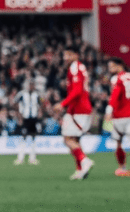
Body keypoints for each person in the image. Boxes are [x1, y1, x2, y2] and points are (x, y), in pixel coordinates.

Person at [54, 48, 94, 180]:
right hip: (80, 108)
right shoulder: (80, 67)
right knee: (75, 139)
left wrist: (62, 104)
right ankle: (80, 170)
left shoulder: (75, 67)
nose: (65, 57)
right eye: (64, 54)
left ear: (76, 55)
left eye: (68, 54)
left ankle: (84, 160)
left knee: (67, 139)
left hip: (79, 109)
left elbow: (77, 91)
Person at [105, 57, 130, 177]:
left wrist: (108, 111)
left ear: (119, 65)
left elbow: (115, 95)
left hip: (118, 115)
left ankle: (122, 168)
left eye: (111, 66)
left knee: (118, 143)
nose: (109, 69)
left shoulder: (116, 78)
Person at [14, 79, 41, 165]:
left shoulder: (36, 94)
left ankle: (32, 158)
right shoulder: (22, 94)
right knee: (23, 137)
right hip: (25, 118)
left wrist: (39, 113)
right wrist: (19, 116)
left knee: (33, 138)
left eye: (32, 85)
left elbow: (40, 104)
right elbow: (16, 104)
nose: (31, 86)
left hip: (33, 118)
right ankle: (20, 158)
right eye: (30, 85)